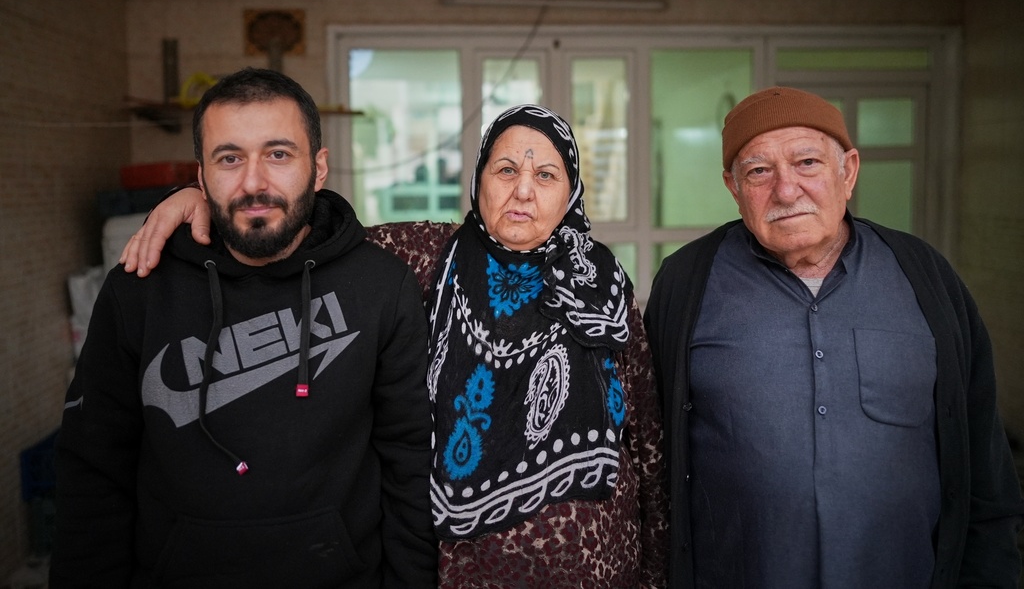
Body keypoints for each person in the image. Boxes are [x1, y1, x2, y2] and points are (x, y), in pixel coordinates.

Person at [121, 103, 670, 588]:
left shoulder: (603, 283)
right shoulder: (425, 254)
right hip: (463, 569)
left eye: (545, 174)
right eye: (506, 169)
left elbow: (646, 435)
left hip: (599, 566)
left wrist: (656, 571)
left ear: (570, 189)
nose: (523, 189)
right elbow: (295, 228)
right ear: (479, 179)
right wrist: (195, 198)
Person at [51, 67, 437, 588]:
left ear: (318, 168)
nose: (254, 182)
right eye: (230, 158)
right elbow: (93, 469)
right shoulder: (139, 286)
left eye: (278, 154)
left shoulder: (381, 284)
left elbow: (410, 460)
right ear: (201, 175)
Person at [644, 86, 1024, 588]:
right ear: (733, 188)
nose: (785, 190)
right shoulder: (686, 282)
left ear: (848, 171)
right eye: (759, 171)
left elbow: (984, 468)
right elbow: (650, 456)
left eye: (806, 163)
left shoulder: (926, 276)